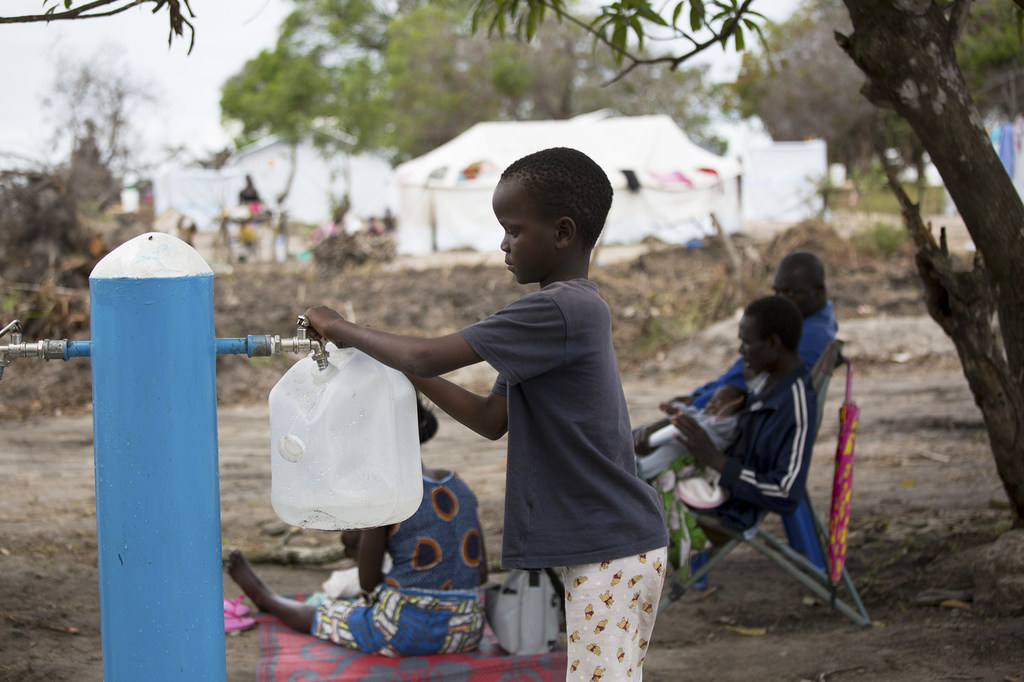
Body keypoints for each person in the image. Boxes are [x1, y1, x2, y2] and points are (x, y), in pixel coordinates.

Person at [300, 147, 668, 681]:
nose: (503, 244)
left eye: (514, 230)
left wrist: (338, 327)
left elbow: (425, 354)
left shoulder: (559, 309)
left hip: (611, 546)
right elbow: (492, 418)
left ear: (563, 233)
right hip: (610, 544)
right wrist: (397, 364)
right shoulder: (553, 320)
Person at [226, 397, 489, 657]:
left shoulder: (387, 491)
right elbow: (481, 574)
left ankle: (267, 599)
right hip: (468, 629)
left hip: (405, 631)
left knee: (329, 613)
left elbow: (368, 582)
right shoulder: (459, 485)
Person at [670, 295, 818, 539]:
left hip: (729, 506)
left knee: (630, 494)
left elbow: (786, 493)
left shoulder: (795, 402)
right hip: (706, 481)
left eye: (746, 342)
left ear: (773, 343)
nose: (740, 351)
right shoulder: (767, 384)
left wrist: (716, 460)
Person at [681, 249, 836, 410]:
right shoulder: (804, 321)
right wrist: (698, 396)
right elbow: (737, 373)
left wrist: (695, 405)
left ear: (819, 291)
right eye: (776, 291)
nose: (780, 300)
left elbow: (748, 385)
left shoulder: (810, 336)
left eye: (789, 293)